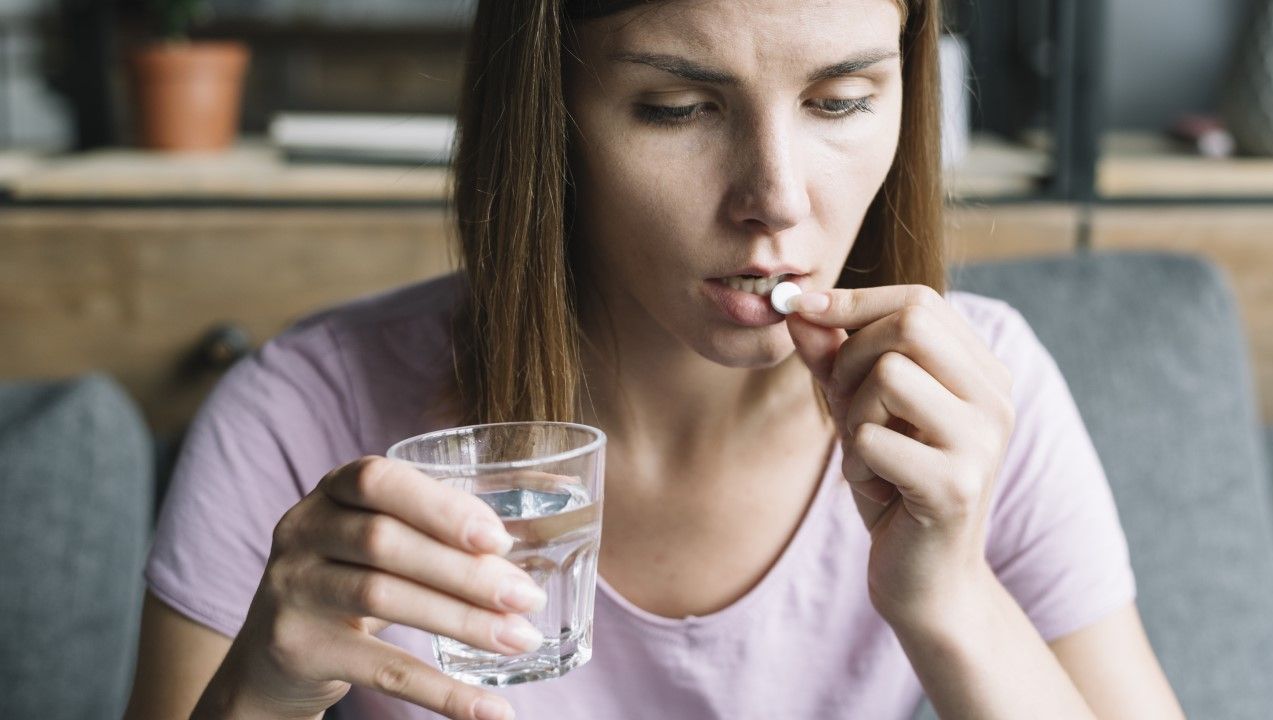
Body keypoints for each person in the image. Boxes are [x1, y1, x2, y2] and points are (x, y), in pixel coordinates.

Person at [124, 1, 1187, 719]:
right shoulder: (299, 413)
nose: (774, 195)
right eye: (676, 108)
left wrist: (951, 596)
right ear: (548, 116)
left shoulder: (979, 393)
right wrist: (256, 697)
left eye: (841, 101)